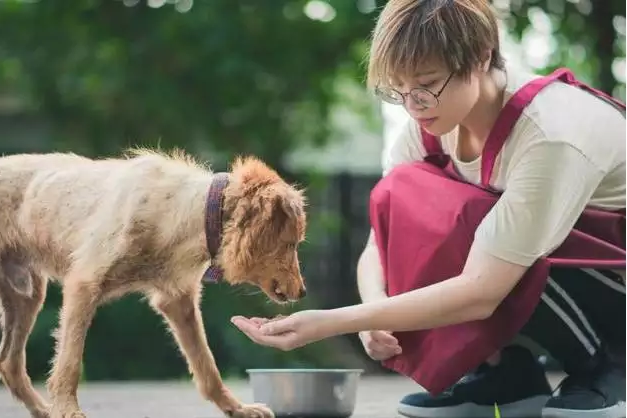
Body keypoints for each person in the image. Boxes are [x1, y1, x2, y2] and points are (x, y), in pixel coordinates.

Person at [231, 1, 626, 417]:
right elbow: (381, 241)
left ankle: (608, 366)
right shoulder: (430, 129)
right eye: (397, 89)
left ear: (481, 56)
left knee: (495, 239)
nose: (412, 104)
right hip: (565, 270)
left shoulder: (547, 134)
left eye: (427, 84)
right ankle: (504, 372)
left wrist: (329, 322)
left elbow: (482, 289)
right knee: (405, 195)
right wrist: (371, 310)